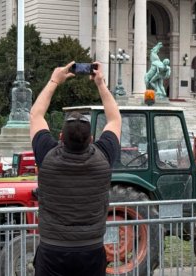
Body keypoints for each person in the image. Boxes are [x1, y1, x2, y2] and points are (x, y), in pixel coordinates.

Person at [29, 61, 121, 276]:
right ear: (91, 139)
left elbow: (36, 115)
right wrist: (101, 84)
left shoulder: (47, 156)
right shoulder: (103, 157)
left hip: (53, 249)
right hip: (91, 249)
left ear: (60, 138)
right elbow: (115, 119)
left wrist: (54, 80)